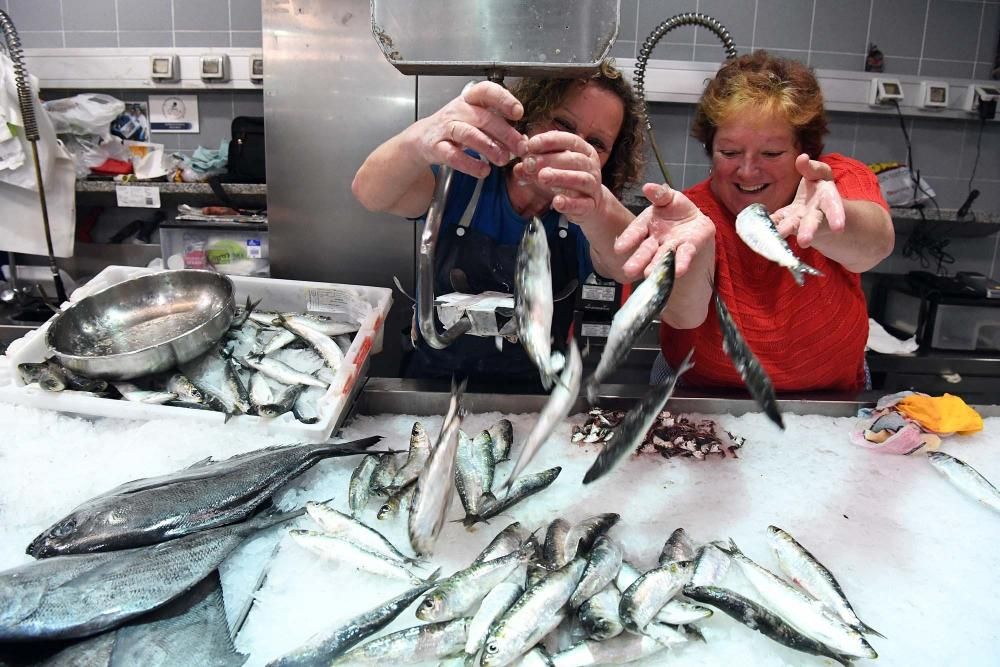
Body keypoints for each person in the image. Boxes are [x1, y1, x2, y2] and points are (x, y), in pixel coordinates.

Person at [352, 61, 644, 389]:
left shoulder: (587, 218)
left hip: (534, 394)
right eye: (562, 123)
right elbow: (371, 193)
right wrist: (417, 140)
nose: (573, 146)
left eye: (597, 144)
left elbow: (627, 264)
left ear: (608, 161)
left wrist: (598, 206)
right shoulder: (467, 173)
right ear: (531, 116)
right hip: (434, 382)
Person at [616, 51, 895, 393]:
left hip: (831, 402)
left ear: (805, 151)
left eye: (772, 154)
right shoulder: (690, 215)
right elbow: (680, 315)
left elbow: (875, 246)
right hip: (702, 398)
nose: (747, 171)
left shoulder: (833, 181)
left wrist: (827, 223)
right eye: (729, 153)